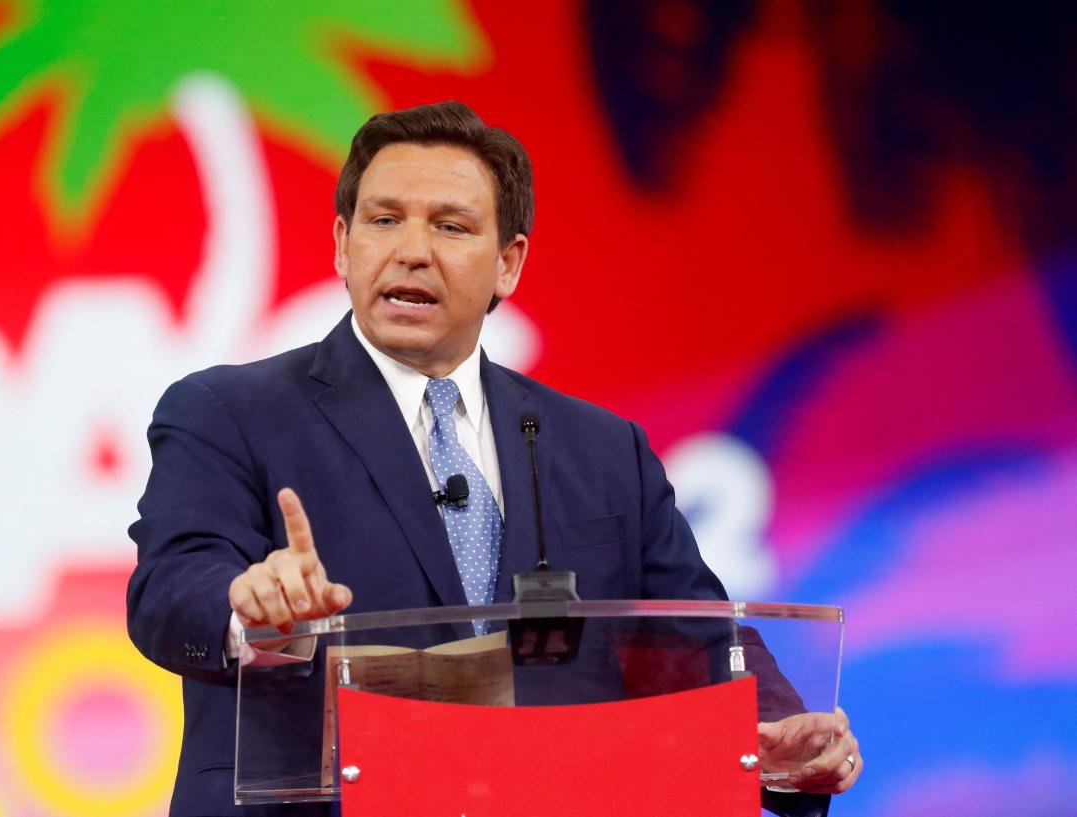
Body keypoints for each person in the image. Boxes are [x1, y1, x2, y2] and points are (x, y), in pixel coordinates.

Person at [127, 101, 861, 817]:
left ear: (509, 263)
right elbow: (170, 585)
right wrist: (249, 605)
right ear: (342, 245)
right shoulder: (229, 411)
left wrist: (778, 732)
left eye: (450, 226)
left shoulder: (604, 449)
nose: (411, 249)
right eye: (385, 220)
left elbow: (698, 629)